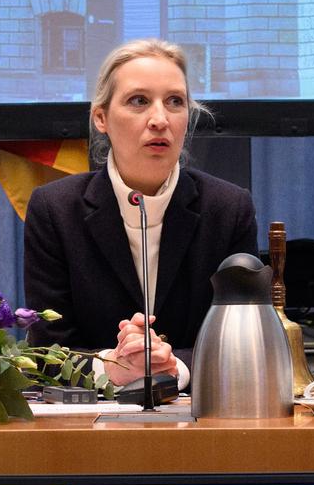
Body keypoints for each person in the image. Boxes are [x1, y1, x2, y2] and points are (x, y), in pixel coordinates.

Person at [23, 39, 259, 386]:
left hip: (198, 420)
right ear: (101, 117)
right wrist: (112, 367)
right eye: (139, 101)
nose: (160, 119)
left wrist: (173, 367)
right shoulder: (55, 210)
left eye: (175, 102)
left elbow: (243, 343)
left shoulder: (228, 208)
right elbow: (46, 350)